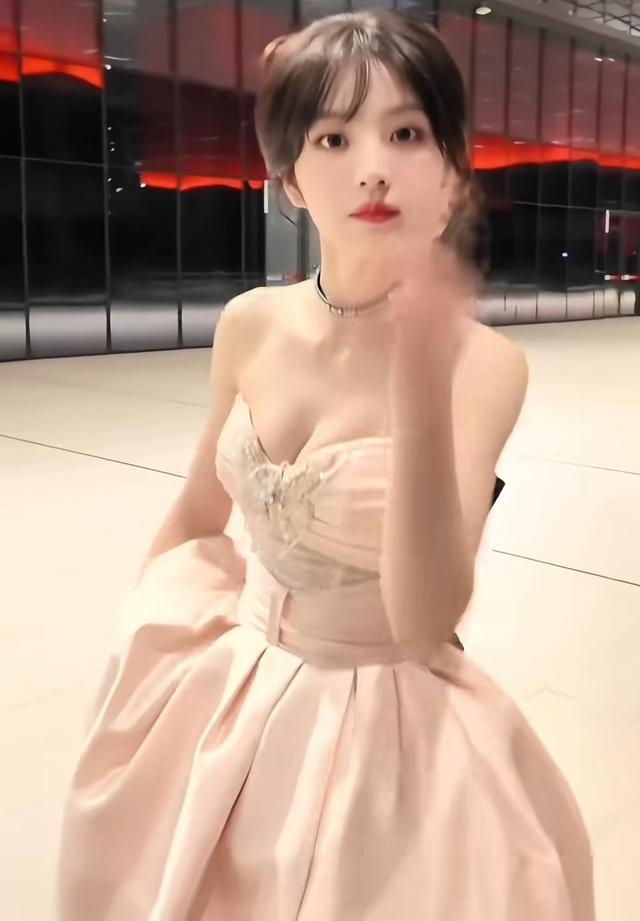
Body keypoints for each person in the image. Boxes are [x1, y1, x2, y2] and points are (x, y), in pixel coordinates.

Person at [56, 11, 594, 921]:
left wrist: (419, 375)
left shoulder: (485, 368)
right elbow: (196, 511)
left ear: (453, 167)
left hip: (385, 727)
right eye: (334, 138)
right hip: (229, 688)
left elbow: (424, 620)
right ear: (290, 180)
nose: (372, 166)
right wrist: (135, 657)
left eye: (406, 133)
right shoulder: (250, 322)